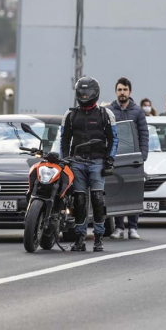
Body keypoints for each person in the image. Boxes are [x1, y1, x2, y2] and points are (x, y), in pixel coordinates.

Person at [61, 77, 117, 252]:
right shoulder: (70, 115)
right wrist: (65, 160)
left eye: (88, 93)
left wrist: (110, 159)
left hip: (98, 162)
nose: (85, 95)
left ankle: (99, 238)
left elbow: (113, 139)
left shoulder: (105, 114)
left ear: (96, 93)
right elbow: (64, 140)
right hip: (77, 163)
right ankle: (80, 239)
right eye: (82, 92)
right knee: (79, 200)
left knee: (97, 199)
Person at [109, 77, 148, 240]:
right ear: (116, 92)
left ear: (130, 92)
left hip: (133, 160)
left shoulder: (138, 111)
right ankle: (119, 227)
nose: (122, 92)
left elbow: (144, 135)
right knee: (117, 192)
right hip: (116, 159)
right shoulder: (110, 111)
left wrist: (142, 156)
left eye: (125, 89)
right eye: (119, 89)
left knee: (133, 191)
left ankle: (133, 227)